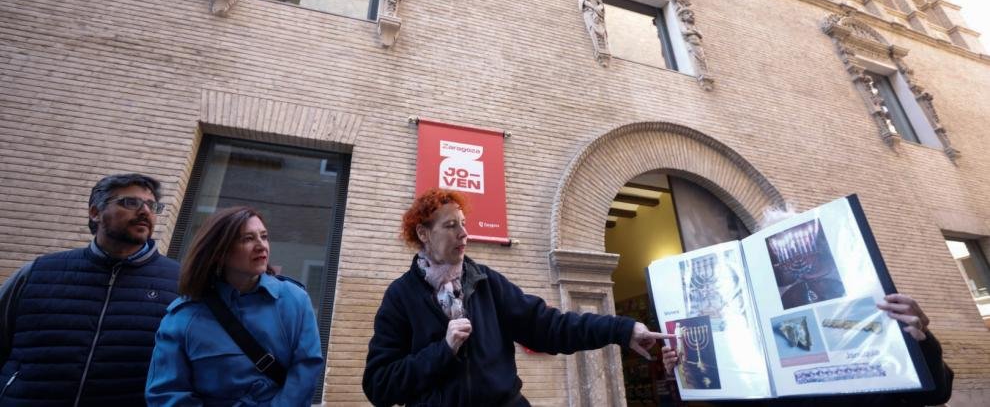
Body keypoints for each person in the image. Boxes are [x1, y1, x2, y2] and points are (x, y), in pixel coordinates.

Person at [362, 188, 672, 407]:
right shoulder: (400, 297)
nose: (464, 234)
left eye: (464, 224)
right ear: (423, 234)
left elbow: (552, 327)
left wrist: (622, 330)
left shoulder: (486, 282)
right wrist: (443, 350)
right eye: (450, 226)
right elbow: (379, 385)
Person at [0, 173, 180, 406]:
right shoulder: (38, 272)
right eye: (131, 202)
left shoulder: (179, 282)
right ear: (95, 212)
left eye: (152, 205)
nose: (145, 211)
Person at [146, 206, 323, 406]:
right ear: (218, 252)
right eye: (247, 239)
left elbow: (306, 368)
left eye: (264, 236)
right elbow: (167, 392)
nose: (261, 246)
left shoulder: (294, 299)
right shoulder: (184, 316)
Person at [661, 294, 953, 406]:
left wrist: (923, 340)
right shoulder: (758, 341)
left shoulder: (870, 317)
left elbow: (937, 393)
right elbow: (735, 399)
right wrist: (684, 368)